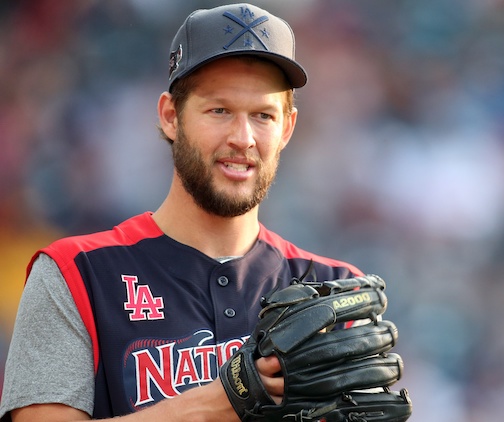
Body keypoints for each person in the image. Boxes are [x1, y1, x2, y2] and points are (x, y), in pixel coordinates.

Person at [0, 3, 385, 421]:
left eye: (262, 115)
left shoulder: (336, 292)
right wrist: (222, 399)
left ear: (287, 128)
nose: (243, 138)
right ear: (170, 116)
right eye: (219, 110)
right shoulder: (79, 273)